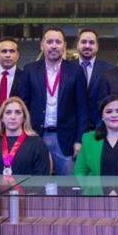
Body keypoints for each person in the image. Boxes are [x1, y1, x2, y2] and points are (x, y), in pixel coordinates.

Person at [15, 27, 89, 175]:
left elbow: (82, 108)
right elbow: (22, 106)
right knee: (35, 184)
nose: (54, 46)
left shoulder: (76, 71)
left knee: (66, 187)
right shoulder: (30, 69)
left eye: (58, 42)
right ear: (42, 45)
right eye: (49, 42)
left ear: (64, 46)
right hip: (35, 136)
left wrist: (79, 140)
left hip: (65, 139)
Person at [0, 97, 51, 176]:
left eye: (18, 112)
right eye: (8, 112)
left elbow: (42, 177)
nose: (13, 117)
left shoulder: (37, 144)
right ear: (2, 118)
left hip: (27, 188)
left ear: (24, 118)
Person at [76, 28, 114, 131]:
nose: (87, 46)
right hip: (72, 131)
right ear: (77, 45)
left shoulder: (110, 70)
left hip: (100, 130)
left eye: (91, 42)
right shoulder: (66, 69)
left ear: (97, 47)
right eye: (83, 42)